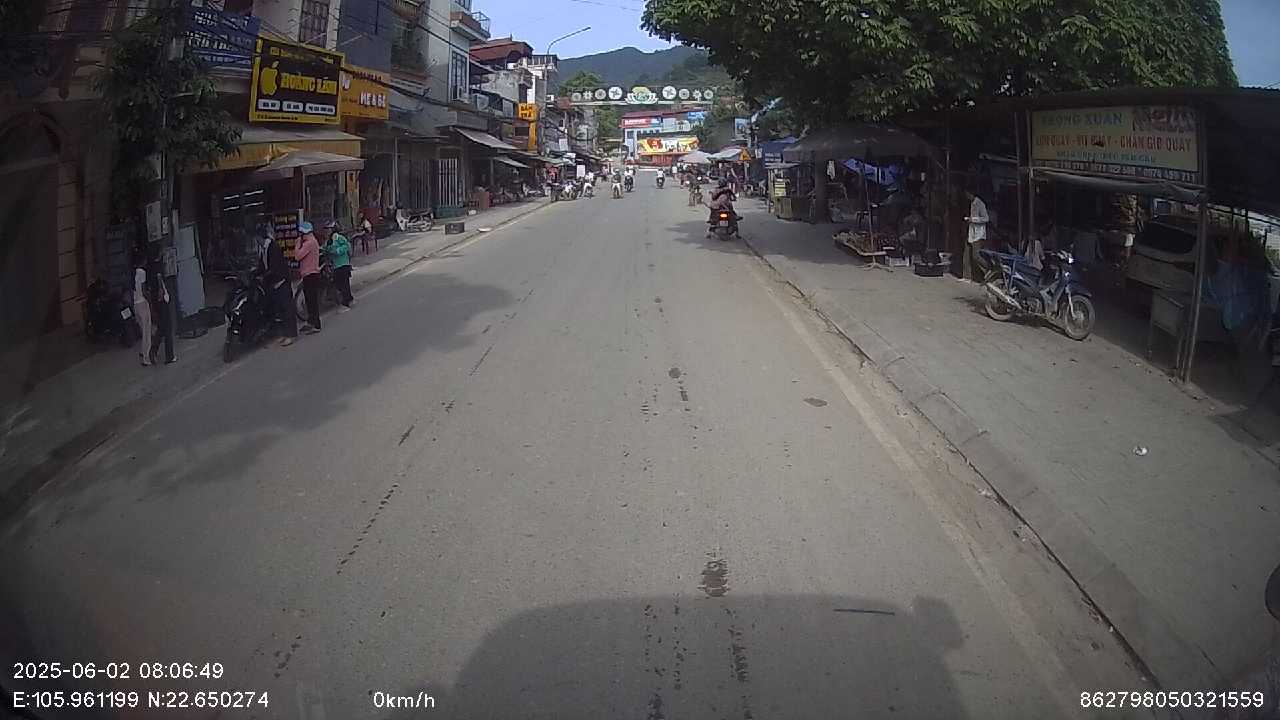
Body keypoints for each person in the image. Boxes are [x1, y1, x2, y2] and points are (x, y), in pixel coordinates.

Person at [258, 226, 297, 346]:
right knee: (279, 310)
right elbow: (262, 265)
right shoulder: (263, 249)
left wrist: (264, 276)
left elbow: (275, 267)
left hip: (281, 281)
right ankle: (284, 333)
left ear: (260, 237)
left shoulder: (273, 247)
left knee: (287, 308)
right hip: (273, 283)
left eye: (257, 238)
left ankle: (291, 334)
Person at [294, 220, 322, 333]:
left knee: (311, 301)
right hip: (310, 273)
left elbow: (297, 256)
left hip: (310, 274)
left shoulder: (309, 243)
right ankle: (311, 321)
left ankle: (316, 324)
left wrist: (297, 245)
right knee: (310, 300)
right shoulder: (313, 241)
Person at [147, 257, 176, 364]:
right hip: (162, 302)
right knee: (167, 329)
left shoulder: (149, 269)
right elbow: (159, 280)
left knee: (162, 328)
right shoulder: (158, 268)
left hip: (156, 302)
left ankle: (153, 350)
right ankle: (169, 356)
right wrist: (162, 293)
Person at [324, 220, 353, 310]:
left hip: (343, 263)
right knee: (340, 283)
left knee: (343, 283)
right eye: (326, 229)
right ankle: (349, 299)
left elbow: (347, 245)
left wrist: (338, 250)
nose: (327, 231)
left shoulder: (338, 237)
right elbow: (326, 248)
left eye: (329, 229)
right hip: (336, 265)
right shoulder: (328, 240)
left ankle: (346, 302)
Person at [963, 189, 989, 281]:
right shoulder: (972, 203)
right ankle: (967, 276)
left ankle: (988, 270)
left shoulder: (980, 204)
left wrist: (973, 219)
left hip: (978, 234)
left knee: (976, 256)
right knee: (966, 254)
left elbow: (986, 218)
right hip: (971, 232)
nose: (966, 196)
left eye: (967, 193)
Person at [132, 256, 153, 366]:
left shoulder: (133, 273)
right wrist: (150, 301)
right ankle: (146, 356)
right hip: (142, 303)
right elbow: (144, 291)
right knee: (147, 331)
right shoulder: (142, 272)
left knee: (142, 330)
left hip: (135, 304)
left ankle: (142, 351)